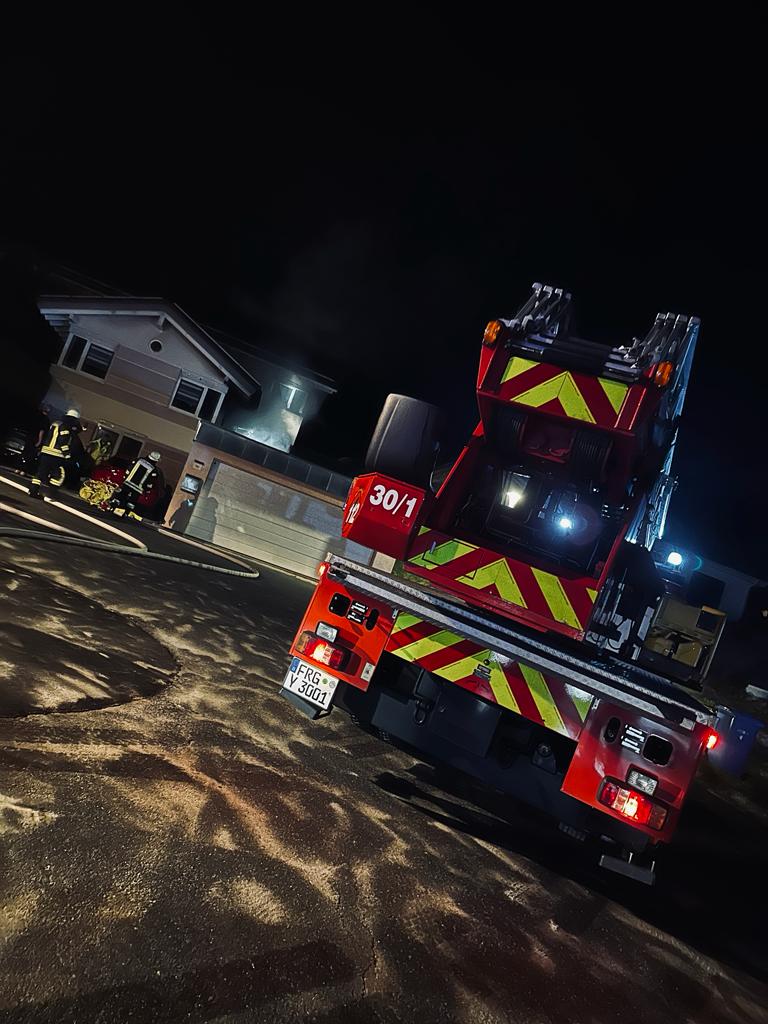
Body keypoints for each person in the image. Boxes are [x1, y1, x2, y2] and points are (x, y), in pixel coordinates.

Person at [28, 407, 83, 498]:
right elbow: (63, 441)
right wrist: (67, 455)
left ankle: (33, 491)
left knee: (40, 473)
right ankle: (51, 493)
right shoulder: (65, 426)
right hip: (56, 455)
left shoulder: (55, 424)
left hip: (45, 452)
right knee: (59, 475)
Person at [110, 450, 163, 518]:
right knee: (131, 502)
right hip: (138, 488)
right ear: (156, 460)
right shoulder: (154, 470)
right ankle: (124, 513)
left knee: (121, 496)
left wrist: (125, 478)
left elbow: (129, 468)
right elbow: (150, 482)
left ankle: (114, 508)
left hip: (127, 483)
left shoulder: (138, 460)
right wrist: (147, 490)